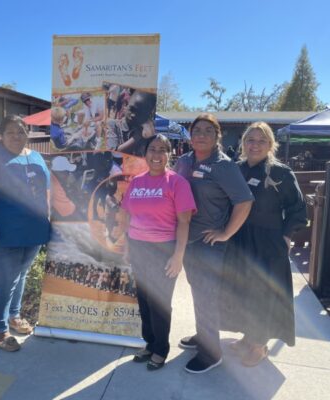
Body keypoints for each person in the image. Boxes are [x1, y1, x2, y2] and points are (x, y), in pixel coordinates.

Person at [220, 122, 307, 367]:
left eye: (261, 141)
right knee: (243, 291)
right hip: (240, 239)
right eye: (250, 140)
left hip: (268, 243)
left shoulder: (280, 172)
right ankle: (249, 337)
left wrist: (287, 236)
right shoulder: (236, 169)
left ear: (270, 145)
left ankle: (259, 345)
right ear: (243, 143)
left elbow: (297, 209)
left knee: (262, 295)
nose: (255, 145)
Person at [175, 113, 254, 373]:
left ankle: (211, 353)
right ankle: (203, 335)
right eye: (197, 130)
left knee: (206, 295)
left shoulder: (224, 166)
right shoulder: (184, 161)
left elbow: (244, 201)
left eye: (209, 130)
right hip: (186, 239)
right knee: (198, 292)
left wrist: (226, 233)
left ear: (217, 136)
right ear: (190, 134)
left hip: (209, 244)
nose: (201, 134)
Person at [0, 115, 50, 352]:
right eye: (11, 132)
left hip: (32, 232)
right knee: (4, 281)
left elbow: (44, 189)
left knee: (21, 275)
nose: (16, 136)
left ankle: (14, 316)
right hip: (0, 233)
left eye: (21, 131)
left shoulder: (36, 156)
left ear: (28, 133)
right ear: (1, 135)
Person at [121, 134, 196, 370]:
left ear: (169, 154)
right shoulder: (136, 181)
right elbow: (126, 214)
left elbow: (184, 222)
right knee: (144, 300)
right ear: (145, 154)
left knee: (159, 303)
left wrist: (178, 256)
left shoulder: (177, 183)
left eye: (162, 150)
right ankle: (150, 343)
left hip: (164, 250)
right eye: (152, 149)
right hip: (138, 247)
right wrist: (126, 246)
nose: (156, 155)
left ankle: (161, 349)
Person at [107, 90, 156, 156]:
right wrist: (138, 136)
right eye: (132, 109)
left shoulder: (149, 132)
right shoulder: (113, 125)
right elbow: (114, 154)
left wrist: (151, 138)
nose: (133, 115)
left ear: (148, 115)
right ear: (126, 105)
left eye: (140, 113)